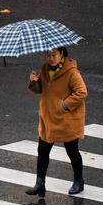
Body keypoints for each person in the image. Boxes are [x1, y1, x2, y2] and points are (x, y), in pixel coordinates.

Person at [26, 47, 88, 196]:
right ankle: (40, 183)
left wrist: (64, 105)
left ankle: (79, 181)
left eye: (54, 55)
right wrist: (33, 82)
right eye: (48, 55)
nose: (51, 58)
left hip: (66, 120)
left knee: (72, 151)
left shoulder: (72, 72)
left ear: (62, 54)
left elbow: (81, 92)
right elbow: (40, 89)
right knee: (42, 151)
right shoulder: (45, 69)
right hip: (48, 119)